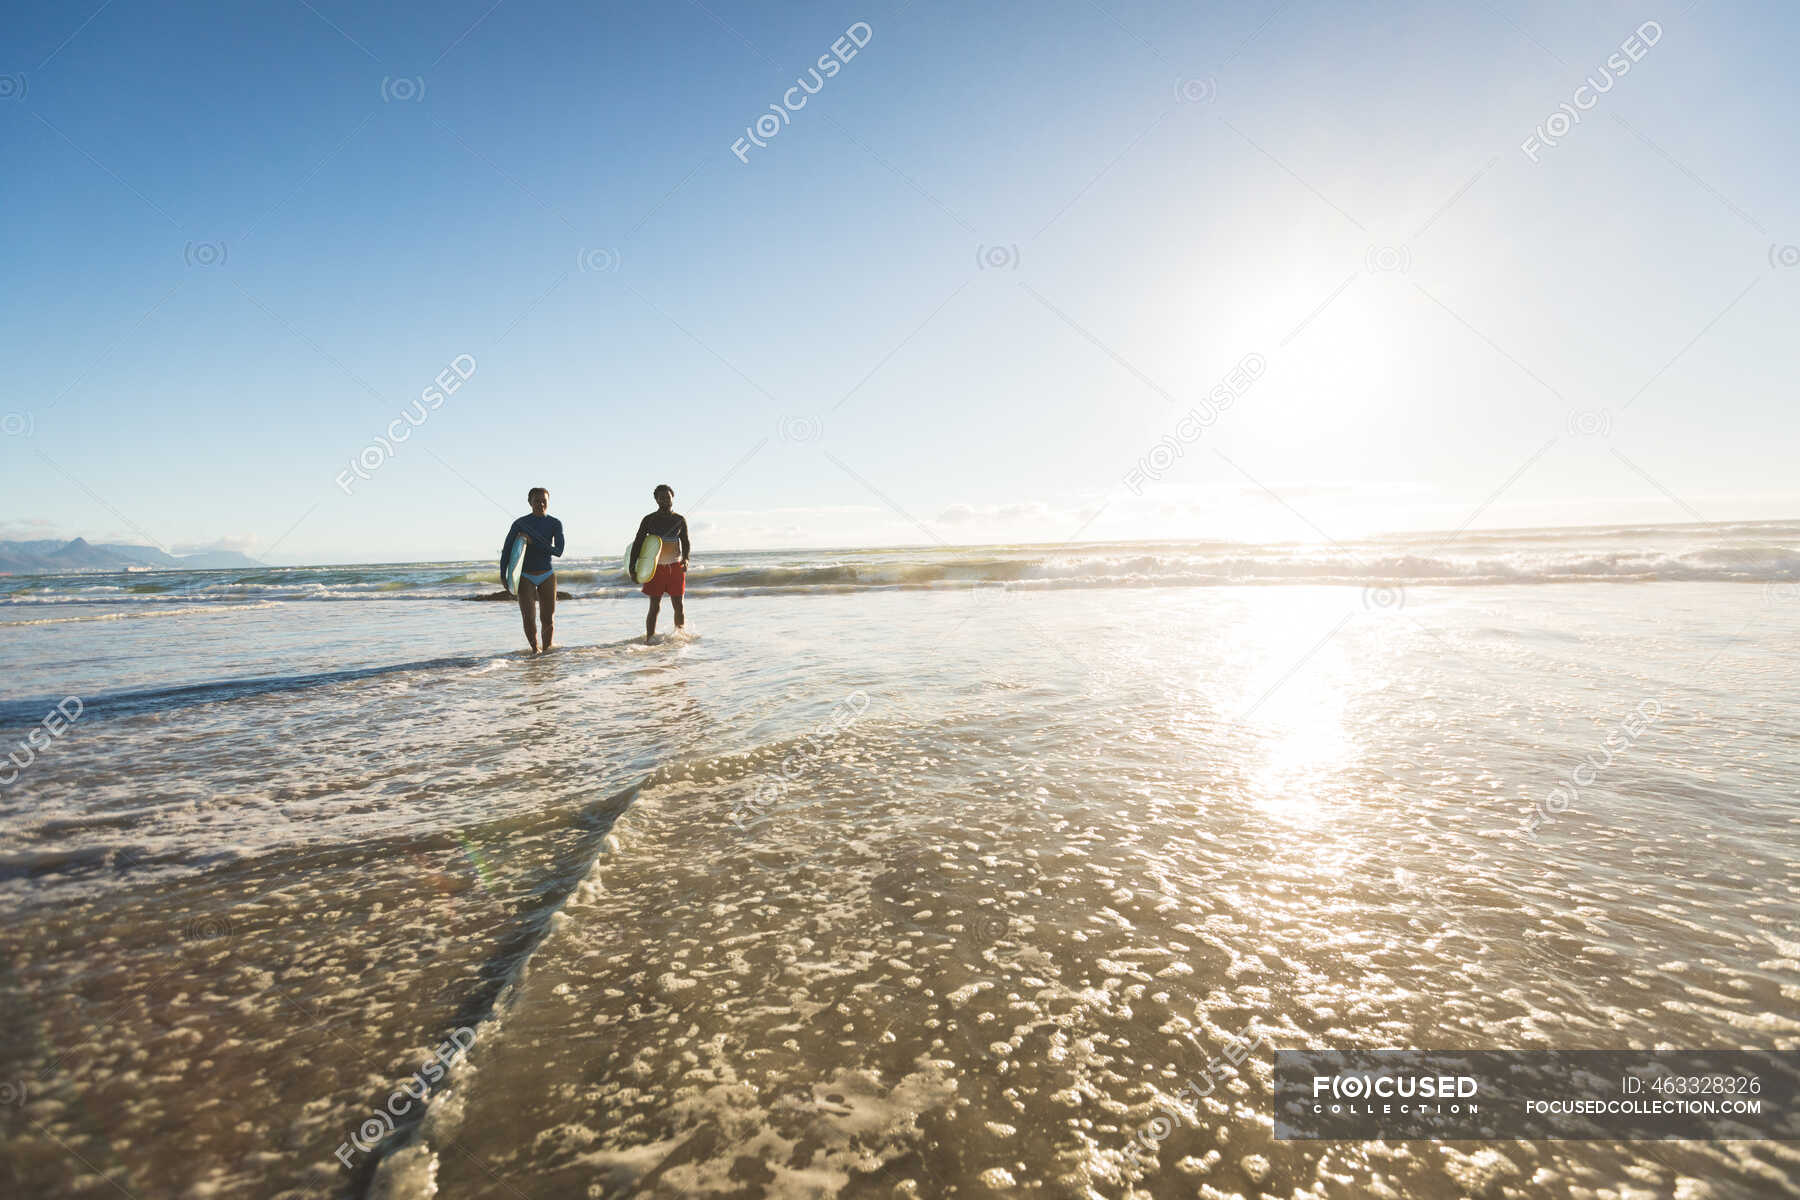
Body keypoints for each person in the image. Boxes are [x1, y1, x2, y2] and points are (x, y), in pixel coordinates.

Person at [502, 487, 565, 653]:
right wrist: (504, 574)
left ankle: (547, 651)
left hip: (547, 574)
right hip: (525, 575)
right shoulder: (519, 524)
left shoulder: (554, 523)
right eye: (537, 500)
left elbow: (558, 551)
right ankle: (534, 650)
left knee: (548, 618)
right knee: (528, 617)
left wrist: (534, 542)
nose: (541, 504)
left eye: (544, 500)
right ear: (530, 502)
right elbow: (507, 550)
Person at [631, 483, 690, 643]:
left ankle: (680, 637)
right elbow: (637, 544)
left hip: (675, 567)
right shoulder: (649, 520)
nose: (665, 500)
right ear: (656, 500)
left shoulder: (679, 519)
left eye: (667, 497)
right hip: (655, 568)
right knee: (654, 606)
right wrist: (633, 568)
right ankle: (649, 639)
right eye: (661, 498)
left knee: (679, 605)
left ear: (672, 498)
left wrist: (686, 559)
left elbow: (685, 542)